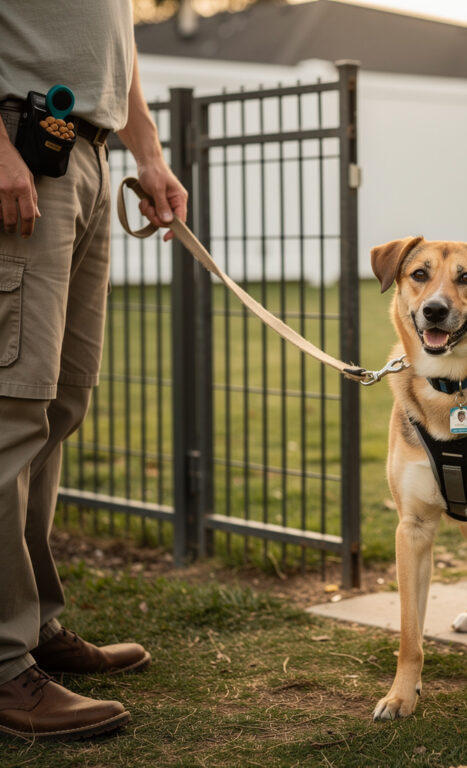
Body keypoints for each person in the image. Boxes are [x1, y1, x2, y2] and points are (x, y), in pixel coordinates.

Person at [0, 1, 187, 741]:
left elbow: (119, 48)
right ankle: (4, 665)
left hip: (84, 150)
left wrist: (147, 154)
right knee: (10, 411)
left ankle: (34, 626)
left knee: (58, 404)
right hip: (19, 142)